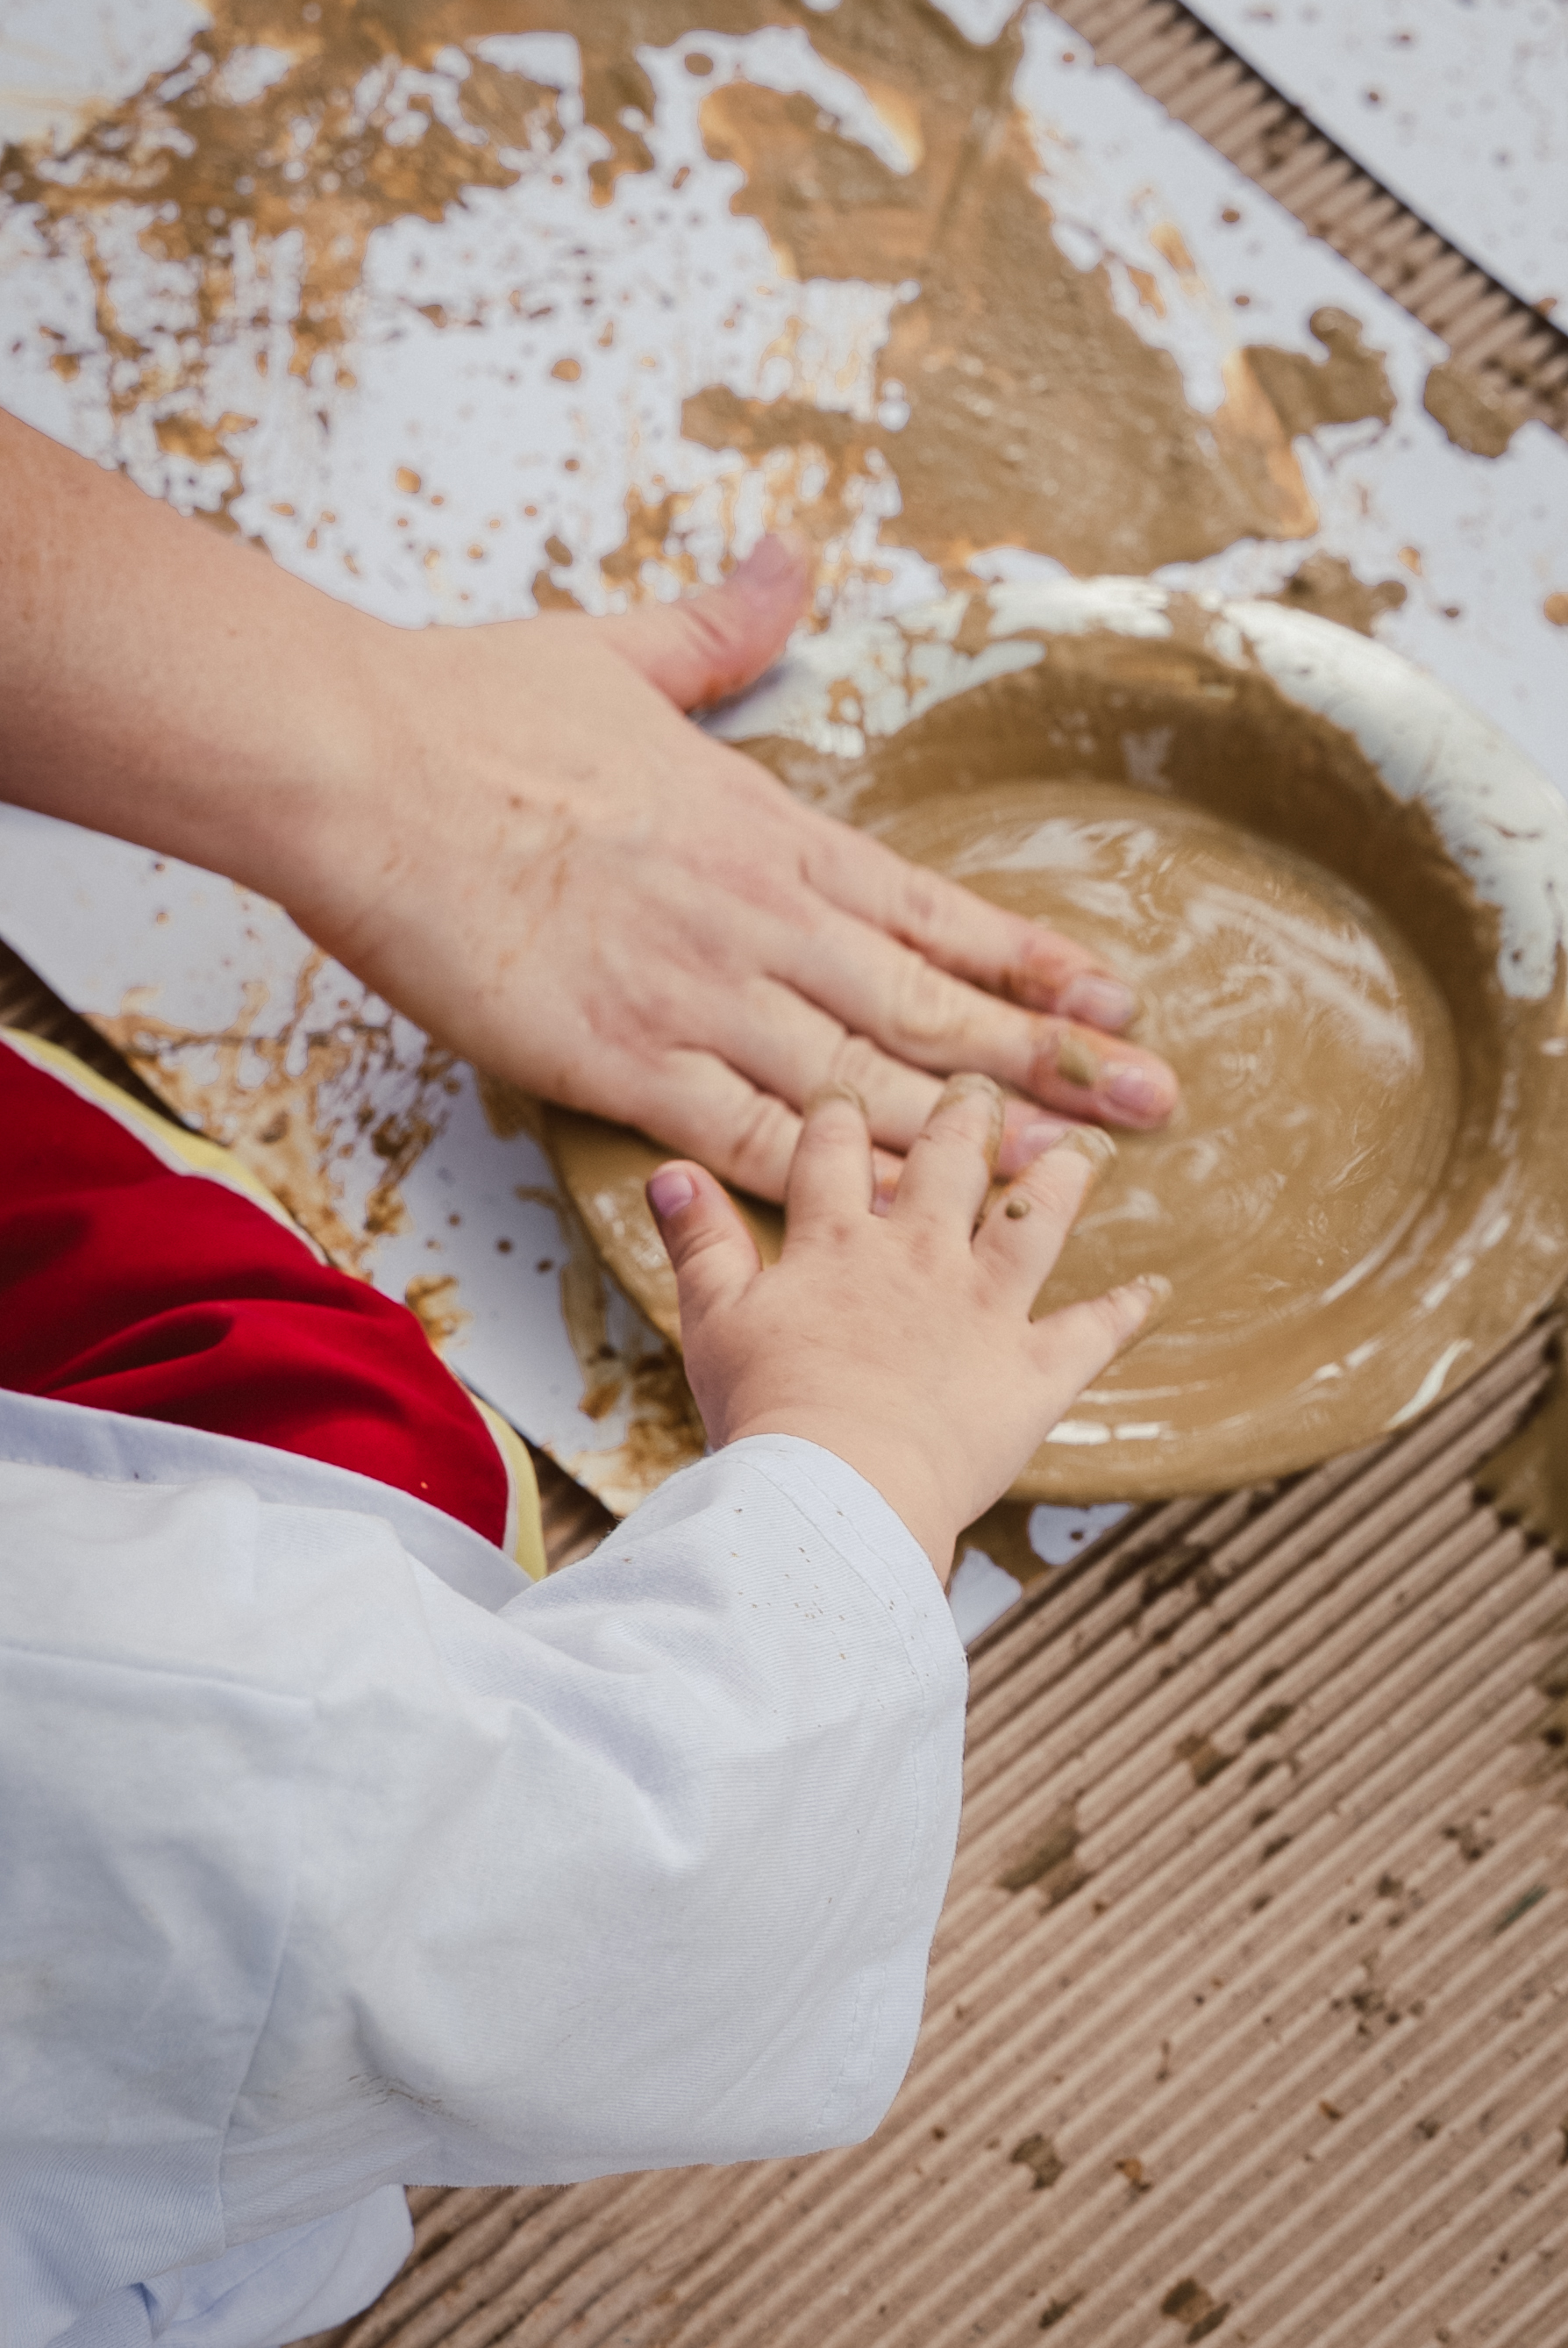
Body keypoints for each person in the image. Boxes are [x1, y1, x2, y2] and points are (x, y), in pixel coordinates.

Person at [0, 409, 1175, 2348]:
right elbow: (595, 1888)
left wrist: (372, 751)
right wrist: (861, 1454)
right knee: (375, 1455)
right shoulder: (153, 1743)